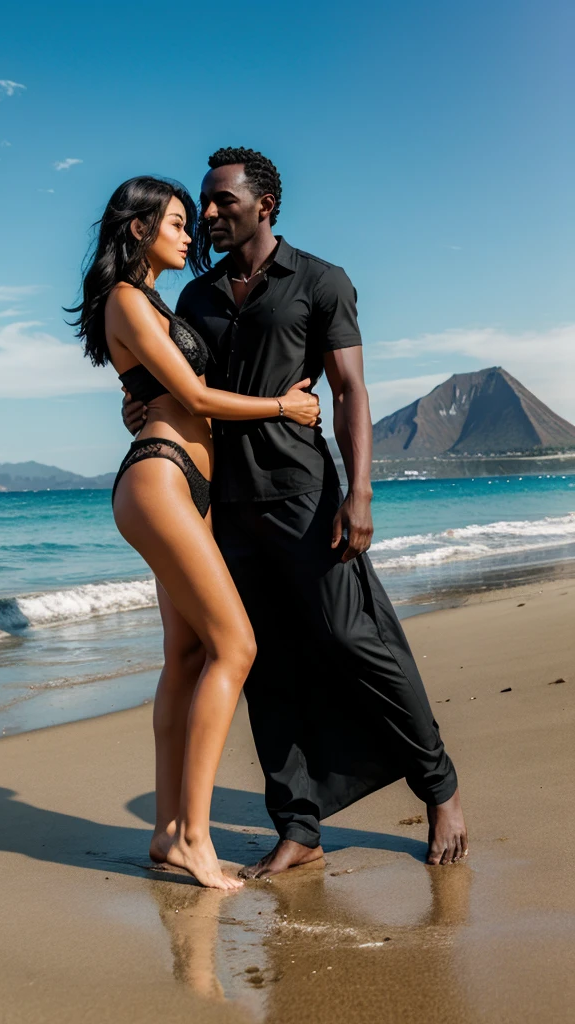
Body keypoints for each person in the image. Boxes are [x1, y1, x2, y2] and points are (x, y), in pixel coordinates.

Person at [123, 149, 469, 877]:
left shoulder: (321, 281)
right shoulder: (198, 298)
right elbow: (185, 389)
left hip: (305, 495)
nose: (209, 214)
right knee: (265, 666)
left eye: (221, 201)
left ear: (265, 204)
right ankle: (300, 828)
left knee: (357, 639)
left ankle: (438, 788)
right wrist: (140, 405)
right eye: (204, 205)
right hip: (222, 505)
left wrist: (360, 490)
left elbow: (351, 392)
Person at [68, 176, 319, 890]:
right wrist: (284, 407)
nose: (191, 231)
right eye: (176, 221)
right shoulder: (126, 298)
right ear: (139, 229)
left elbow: (162, 387)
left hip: (187, 484)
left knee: (185, 656)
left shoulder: (150, 302)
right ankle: (195, 839)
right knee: (236, 645)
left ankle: (164, 833)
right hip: (160, 477)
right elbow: (197, 396)